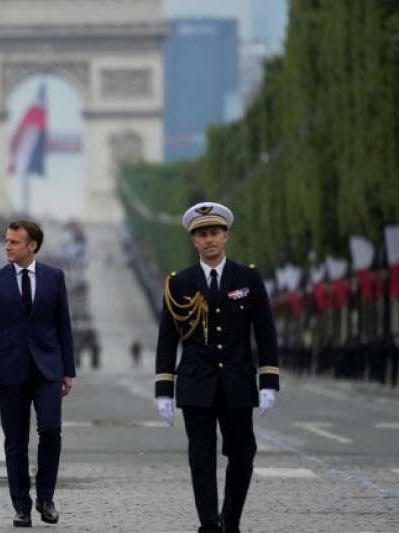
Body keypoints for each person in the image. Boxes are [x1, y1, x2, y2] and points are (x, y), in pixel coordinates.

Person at [154, 202, 279, 533]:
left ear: (226, 236)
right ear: (194, 241)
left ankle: (231, 519)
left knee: (243, 455)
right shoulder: (179, 283)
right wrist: (164, 390)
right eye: (202, 235)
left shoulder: (248, 278)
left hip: (237, 382)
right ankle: (209, 525)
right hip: (196, 384)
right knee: (202, 459)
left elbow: (265, 332)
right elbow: (167, 340)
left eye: (214, 233)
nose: (209, 240)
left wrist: (268, 381)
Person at [0, 219, 76, 527]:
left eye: (14, 242)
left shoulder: (54, 277)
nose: (7, 246)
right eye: (6, 241)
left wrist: (68, 370)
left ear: (32, 246)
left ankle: (46, 497)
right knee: (15, 442)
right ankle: (21, 505)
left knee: (51, 431)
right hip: (11, 369)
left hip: (47, 370)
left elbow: (64, 327)